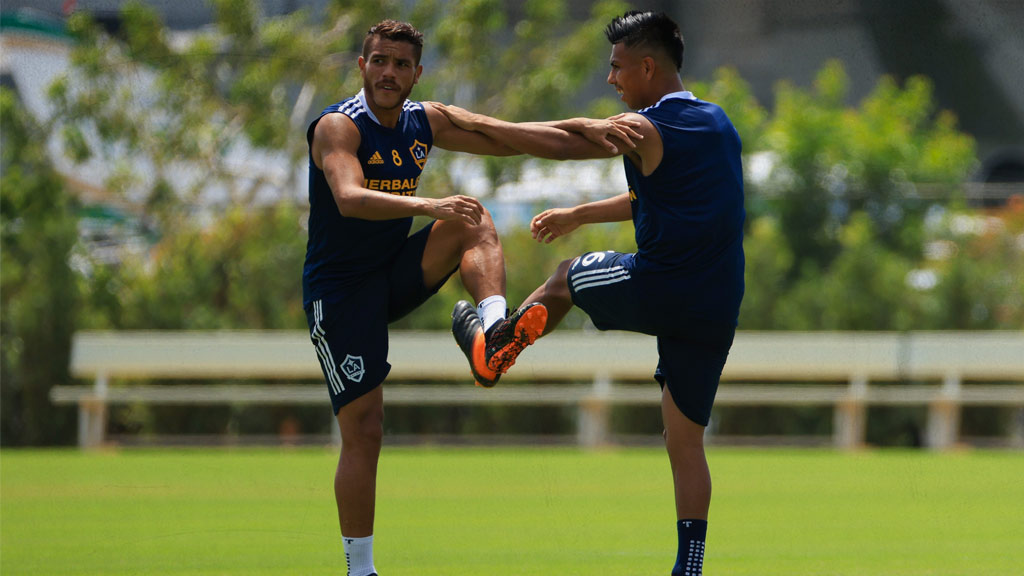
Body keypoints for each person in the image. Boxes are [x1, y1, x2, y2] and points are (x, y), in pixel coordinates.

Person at [438, 10, 745, 576]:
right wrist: (582, 212)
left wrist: (463, 122)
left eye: (617, 67)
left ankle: (493, 352)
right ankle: (691, 567)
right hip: (716, 305)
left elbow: (559, 140)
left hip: (663, 286)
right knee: (685, 442)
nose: (611, 79)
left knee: (566, 277)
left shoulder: (645, 127)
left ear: (647, 66)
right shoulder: (717, 124)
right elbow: (666, 199)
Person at [302, 19, 553, 576]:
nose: (388, 72)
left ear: (418, 73)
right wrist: (428, 206)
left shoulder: (424, 121)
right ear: (362, 66)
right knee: (365, 428)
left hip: (392, 272)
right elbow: (347, 197)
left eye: (400, 63)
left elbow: (507, 135)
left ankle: (491, 333)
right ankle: (360, 570)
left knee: (474, 217)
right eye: (378, 61)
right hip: (341, 293)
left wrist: (600, 134)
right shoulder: (338, 128)